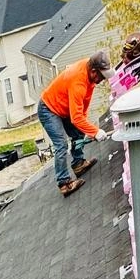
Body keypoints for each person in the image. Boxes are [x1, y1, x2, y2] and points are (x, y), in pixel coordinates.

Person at [37, 50, 112, 196]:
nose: (102, 80)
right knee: (61, 145)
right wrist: (96, 131)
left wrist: (88, 131)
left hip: (64, 107)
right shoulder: (78, 81)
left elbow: (82, 108)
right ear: (93, 71)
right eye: (101, 76)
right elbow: (76, 118)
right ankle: (64, 183)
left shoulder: (90, 76)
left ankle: (78, 164)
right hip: (48, 109)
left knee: (78, 132)